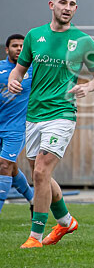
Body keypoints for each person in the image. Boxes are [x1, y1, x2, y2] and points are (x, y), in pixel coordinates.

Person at [8, 0, 94, 248]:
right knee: (39, 174)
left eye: (72, 4)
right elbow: (19, 70)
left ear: (75, 9)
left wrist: (87, 86)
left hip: (62, 113)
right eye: (63, 2)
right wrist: (12, 80)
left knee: (40, 171)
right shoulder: (34, 36)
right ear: (51, 4)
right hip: (34, 114)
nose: (67, 7)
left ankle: (35, 237)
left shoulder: (83, 40)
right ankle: (65, 222)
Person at [0, 34, 34, 216]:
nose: (19, 48)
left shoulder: (34, 70)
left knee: (4, 164)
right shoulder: (0, 69)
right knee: (10, 167)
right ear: (7, 49)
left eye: (22, 45)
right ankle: (33, 198)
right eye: (15, 45)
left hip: (17, 127)